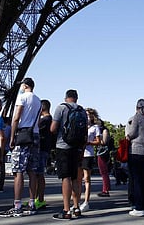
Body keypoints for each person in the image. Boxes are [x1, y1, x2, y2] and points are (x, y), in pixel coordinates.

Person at [0, 77, 41, 217]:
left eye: (22, 85)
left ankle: (17, 205)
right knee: (32, 171)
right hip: (35, 135)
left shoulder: (22, 97)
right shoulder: (39, 101)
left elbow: (16, 118)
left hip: (23, 135)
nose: (21, 87)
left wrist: (12, 138)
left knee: (18, 171)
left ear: (25, 85)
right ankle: (31, 203)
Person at [51, 89, 85, 220]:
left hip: (63, 146)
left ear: (66, 98)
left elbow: (53, 128)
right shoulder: (82, 111)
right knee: (76, 178)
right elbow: (84, 133)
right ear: (76, 98)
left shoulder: (61, 108)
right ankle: (76, 208)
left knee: (65, 177)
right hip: (77, 147)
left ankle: (66, 210)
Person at [126, 99, 144, 216]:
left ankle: (138, 207)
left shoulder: (136, 118)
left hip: (136, 150)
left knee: (137, 180)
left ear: (137, 107)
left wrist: (128, 137)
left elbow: (133, 132)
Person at [78, 108, 101, 212]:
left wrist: (89, 142)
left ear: (93, 117)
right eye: (85, 115)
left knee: (86, 178)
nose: (87, 117)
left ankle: (86, 202)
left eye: (89, 115)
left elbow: (99, 141)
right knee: (77, 178)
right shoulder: (80, 125)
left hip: (88, 154)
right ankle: (76, 201)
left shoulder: (95, 127)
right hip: (79, 153)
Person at [35, 99, 54, 210]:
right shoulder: (49, 119)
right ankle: (38, 198)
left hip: (41, 148)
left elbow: (36, 128)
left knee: (39, 174)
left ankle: (40, 199)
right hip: (45, 148)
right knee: (38, 175)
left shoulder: (45, 120)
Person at [97, 119, 112, 197]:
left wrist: (97, 139)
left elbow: (104, 142)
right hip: (101, 151)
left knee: (104, 171)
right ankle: (105, 189)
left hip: (103, 152)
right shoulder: (102, 130)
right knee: (103, 171)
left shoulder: (104, 130)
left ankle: (106, 190)